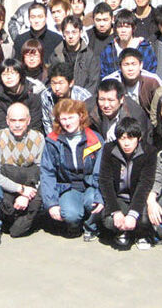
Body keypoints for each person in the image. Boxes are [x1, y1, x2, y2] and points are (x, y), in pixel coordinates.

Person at [40, 99, 104, 241]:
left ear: (80, 116)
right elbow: (47, 173)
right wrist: (51, 204)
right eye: (63, 119)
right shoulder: (52, 141)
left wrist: (100, 196)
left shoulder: (95, 139)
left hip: (90, 185)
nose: (67, 122)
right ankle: (74, 226)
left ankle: (91, 227)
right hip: (68, 186)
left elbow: (101, 172)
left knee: (93, 202)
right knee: (70, 214)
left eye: (71, 117)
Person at [0, 103, 45, 246]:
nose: (17, 125)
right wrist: (19, 189)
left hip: (29, 183)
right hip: (5, 184)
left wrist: (26, 195)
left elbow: (42, 170)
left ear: (28, 120)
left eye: (21, 120)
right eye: (13, 120)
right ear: (7, 121)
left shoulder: (38, 138)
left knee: (43, 191)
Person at [99, 117, 156, 249]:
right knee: (110, 220)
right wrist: (115, 210)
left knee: (143, 219)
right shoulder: (109, 149)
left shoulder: (149, 152)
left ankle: (141, 234)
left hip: (139, 197)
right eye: (122, 138)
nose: (126, 143)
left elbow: (145, 183)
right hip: (119, 197)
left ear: (139, 138)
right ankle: (123, 232)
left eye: (131, 138)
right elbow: (105, 181)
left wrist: (133, 214)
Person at [86, 78, 151, 143]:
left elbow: (142, 143)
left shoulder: (135, 114)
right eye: (102, 99)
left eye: (111, 100)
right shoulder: (87, 108)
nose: (106, 105)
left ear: (121, 99)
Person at [47, 15, 99, 95]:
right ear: (63, 33)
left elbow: (93, 83)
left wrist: (81, 98)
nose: (70, 36)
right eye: (67, 33)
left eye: (74, 32)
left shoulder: (90, 56)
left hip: (83, 99)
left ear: (80, 32)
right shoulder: (56, 55)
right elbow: (50, 81)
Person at [100, 9, 157, 79]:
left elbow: (150, 74)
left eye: (127, 27)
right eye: (120, 27)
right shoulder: (108, 50)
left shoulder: (145, 49)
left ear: (133, 28)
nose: (123, 31)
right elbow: (104, 75)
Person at [103, 47, 162, 116]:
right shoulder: (111, 81)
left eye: (134, 64)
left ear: (141, 65)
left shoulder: (152, 81)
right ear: (120, 67)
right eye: (126, 64)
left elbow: (160, 108)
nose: (130, 69)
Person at [0, 58, 44, 134]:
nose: (9, 77)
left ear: (20, 75)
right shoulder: (0, 97)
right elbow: (0, 126)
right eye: (4, 74)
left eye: (12, 73)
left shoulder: (32, 94)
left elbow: (36, 125)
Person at [40, 62, 92, 134]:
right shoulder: (46, 95)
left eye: (61, 83)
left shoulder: (83, 96)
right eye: (53, 83)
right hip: (56, 135)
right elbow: (47, 122)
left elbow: (87, 122)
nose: (57, 88)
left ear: (71, 83)